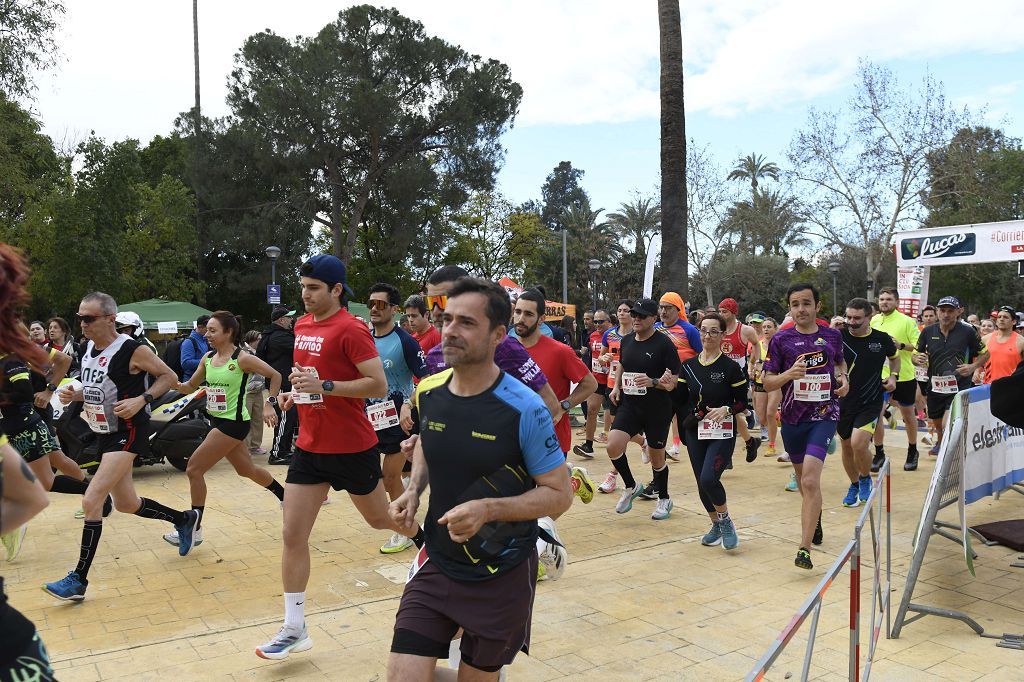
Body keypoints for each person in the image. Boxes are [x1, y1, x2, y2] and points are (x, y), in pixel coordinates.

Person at [387, 277, 571, 681]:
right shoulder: (429, 392)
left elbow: (559, 494)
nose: (450, 329)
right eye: (448, 318)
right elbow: (426, 445)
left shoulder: (525, 408)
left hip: (501, 573)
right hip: (438, 561)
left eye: (466, 322)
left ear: (498, 335)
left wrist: (489, 509)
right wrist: (413, 490)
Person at [255, 255, 423, 660]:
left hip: (351, 447)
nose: (305, 295)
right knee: (292, 535)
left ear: (336, 289)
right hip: (310, 448)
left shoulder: (351, 328)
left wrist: (325, 385)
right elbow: (306, 371)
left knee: (380, 519)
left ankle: (426, 541)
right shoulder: (302, 324)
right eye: (302, 287)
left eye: (313, 288)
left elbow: (376, 384)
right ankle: (295, 627)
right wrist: (296, 392)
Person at [43, 292, 200, 601]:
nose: (82, 324)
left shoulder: (132, 349)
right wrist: (75, 395)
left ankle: (78, 580)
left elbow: (167, 377)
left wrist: (143, 399)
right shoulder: (87, 349)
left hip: (127, 432)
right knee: (128, 503)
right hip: (104, 432)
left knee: (92, 500)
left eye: (88, 318)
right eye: (79, 318)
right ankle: (184, 519)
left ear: (109, 319)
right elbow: (99, 388)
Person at [160, 311, 285, 550]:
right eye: (207, 330)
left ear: (229, 333)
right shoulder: (207, 359)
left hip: (234, 424)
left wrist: (270, 403)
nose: (207, 334)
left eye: (213, 330)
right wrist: (169, 381)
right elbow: (189, 387)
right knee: (246, 470)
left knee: (194, 469)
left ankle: (194, 529)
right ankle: (284, 496)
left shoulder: (242, 359)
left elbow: (275, 375)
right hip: (218, 421)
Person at [762, 284, 848, 570]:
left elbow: (840, 365)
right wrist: (789, 374)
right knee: (803, 481)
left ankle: (804, 549)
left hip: (823, 416)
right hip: (792, 420)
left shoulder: (832, 336)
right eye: (795, 304)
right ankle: (816, 515)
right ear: (790, 308)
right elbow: (767, 382)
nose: (801, 309)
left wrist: (844, 380)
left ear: (817, 306)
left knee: (810, 480)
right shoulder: (780, 339)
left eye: (806, 303)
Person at [514, 289, 597, 578]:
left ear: (540, 318)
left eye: (527, 313)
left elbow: (589, 384)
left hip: (552, 436)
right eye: (518, 312)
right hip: (515, 438)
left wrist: (564, 405)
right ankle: (571, 481)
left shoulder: (559, 351)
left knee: (543, 501)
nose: (520, 318)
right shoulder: (506, 350)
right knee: (522, 500)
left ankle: (536, 549)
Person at [423, 266, 559, 416]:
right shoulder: (434, 356)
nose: (435, 311)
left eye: (442, 300)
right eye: (431, 302)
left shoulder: (505, 348)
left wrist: (500, 436)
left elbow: (550, 404)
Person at [366, 282, 428, 555]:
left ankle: (405, 526)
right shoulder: (364, 337)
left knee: (390, 477)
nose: (373, 309)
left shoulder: (405, 341)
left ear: (393, 309)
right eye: (370, 303)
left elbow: (426, 378)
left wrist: (408, 404)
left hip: (399, 419)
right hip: (369, 418)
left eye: (380, 304)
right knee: (376, 478)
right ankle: (405, 512)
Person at [606, 298, 681, 521]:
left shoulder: (664, 344)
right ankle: (630, 486)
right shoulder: (627, 340)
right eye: (634, 314)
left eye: (641, 316)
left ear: (653, 319)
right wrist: (616, 386)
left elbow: (673, 382)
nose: (636, 318)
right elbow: (622, 363)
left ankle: (664, 498)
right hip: (630, 405)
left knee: (657, 459)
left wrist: (653, 382)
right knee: (612, 445)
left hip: (657, 408)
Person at [679, 312, 748, 550]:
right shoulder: (687, 366)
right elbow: (679, 398)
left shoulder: (730, 368)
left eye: (713, 331)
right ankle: (715, 524)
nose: (707, 335)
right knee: (701, 483)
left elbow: (742, 402)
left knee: (710, 478)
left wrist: (727, 409)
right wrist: (664, 384)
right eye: (703, 330)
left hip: (722, 432)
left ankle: (726, 521)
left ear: (722, 335)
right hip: (695, 431)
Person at [839, 299, 899, 507]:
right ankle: (854, 484)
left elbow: (895, 358)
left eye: (857, 318)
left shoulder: (881, 339)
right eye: (848, 317)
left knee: (858, 443)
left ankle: (865, 477)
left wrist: (893, 377)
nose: (851, 322)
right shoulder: (838, 336)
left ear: (869, 317)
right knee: (846, 446)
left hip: (871, 400)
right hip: (843, 401)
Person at [913, 296, 988, 457]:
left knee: (948, 424)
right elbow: (916, 354)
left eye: (950, 311)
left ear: (958, 312)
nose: (946, 314)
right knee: (937, 423)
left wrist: (972, 367)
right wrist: (917, 359)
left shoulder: (967, 331)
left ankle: (948, 454)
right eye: (942, 310)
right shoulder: (927, 331)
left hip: (959, 385)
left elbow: (985, 354)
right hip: (935, 386)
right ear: (937, 312)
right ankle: (940, 441)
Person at [869, 288, 922, 471]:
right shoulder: (874, 320)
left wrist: (899, 345)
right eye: (882, 299)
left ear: (897, 302)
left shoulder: (907, 321)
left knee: (908, 415)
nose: (884, 302)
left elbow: (918, 346)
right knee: (876, 413)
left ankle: (913, 449)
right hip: (880, 374)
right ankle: (879, 452)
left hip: (905, 375)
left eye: (889, 299)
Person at [717, 298, 762, 461]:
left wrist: (758, 362)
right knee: (731, 412)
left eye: (725, 311)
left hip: (738, 376)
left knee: (729, 411)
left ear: (733, 312)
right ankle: (749, 440)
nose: (721, 314)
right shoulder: (717, 328)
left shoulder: (745, 330)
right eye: (720, 311)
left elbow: (756, 344)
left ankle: (726, 456)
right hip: (720, 375)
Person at [257, 305, 298, 465]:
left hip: (283, 382)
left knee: (289, 417)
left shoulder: (274, 334)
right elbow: (299, 348)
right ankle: (278, 453)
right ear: (281, 320)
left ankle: (284, 449)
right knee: (285, 418)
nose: (292, 320)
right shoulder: (279, 337)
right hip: (282, 384)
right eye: (289, 318)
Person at [574, 310, 612, 459]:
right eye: (595, 321)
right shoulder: (592, 336)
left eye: (600, 321)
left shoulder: (613, 335)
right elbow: (591, 357)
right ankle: (588, 445)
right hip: (597, 379)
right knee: (591, 410)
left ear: (609, 321)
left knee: (616, 417)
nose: (597, 325)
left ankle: (643, 442)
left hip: (612, 380)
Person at [753, 317, 783, 460]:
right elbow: (752, 361)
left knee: (770, 413)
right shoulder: (757, 345)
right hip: (760, 383)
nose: (765, 329)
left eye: (769, 327)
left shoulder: (780, 345)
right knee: (762, 416)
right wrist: (751, 370)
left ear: (775, 329)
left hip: (775, 382)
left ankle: (771, 445)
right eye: (764, 327)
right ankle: (777, 417)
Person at [982, 306, 1024, 384]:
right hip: (989, 386)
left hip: (1012, 387)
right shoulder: (985, 339)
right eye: (999, 317)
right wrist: (977, 371)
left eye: (1005, 317)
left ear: (1014, 321)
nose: (1001, 319)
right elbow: (978, 359)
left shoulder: (1021, 341)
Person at [241, 330, 267, 454]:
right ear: (252, 340)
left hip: (258, 390)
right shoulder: (245, 352)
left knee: (258, 419)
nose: (261, 342)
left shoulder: (259, 352)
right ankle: (245, 447)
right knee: (246, 419)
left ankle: (255, 445)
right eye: (259, 339)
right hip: (247, 391)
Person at [180, 315, 211, 382]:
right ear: (199, 327)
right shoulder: (189, 342)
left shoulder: (205, 340)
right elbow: (185, 363)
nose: (209, 332)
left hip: (202, 380)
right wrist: (207, 361)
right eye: (207, 329)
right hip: (191, 380)